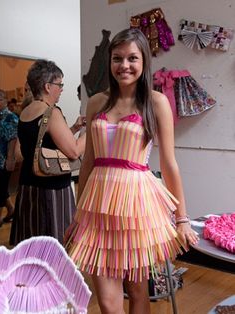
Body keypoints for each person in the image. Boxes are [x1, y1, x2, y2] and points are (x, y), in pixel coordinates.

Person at [64, 28, 199, 314]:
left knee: (137, 291)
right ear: (110, 61)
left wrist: (182, 219)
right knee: (108, 302)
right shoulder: (96, 102)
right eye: (117, 58)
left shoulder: (156, 102)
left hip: (136, 207)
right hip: (97, 207)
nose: (124, 65)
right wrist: (79, 214)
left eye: (132, 58)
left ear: (143, 62)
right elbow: (88, 159)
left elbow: (169, 164)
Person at [10, 59, 86, 245]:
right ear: (47, 86)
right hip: (52, 190)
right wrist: (92, 128)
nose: (61, 89)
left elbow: (46, 141)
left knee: (33, 243)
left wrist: (75, 128)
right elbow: (74, 151)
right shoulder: (51, 112)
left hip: (28, 187)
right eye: (59, 84)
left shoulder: (27, 111)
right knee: (54, 246)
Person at [0, 89, 18, 227]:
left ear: (4, 101)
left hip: (4, 160)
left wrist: (10, 159)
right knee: (1, 188)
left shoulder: (9, 117)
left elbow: (13, 139)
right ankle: (11, 209)